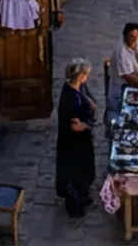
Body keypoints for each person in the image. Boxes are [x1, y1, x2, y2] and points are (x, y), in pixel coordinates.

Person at [56, 59, 99, 217]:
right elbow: (75, 125)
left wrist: (90, 103)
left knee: (84, 171)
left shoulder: (75, 88)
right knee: (74, 174)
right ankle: (75, 205)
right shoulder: (70, 100)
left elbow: (84, 94)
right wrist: (90, 125)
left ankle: (83, 196)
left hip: (81, 141)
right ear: (80, 75)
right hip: (72, 142)